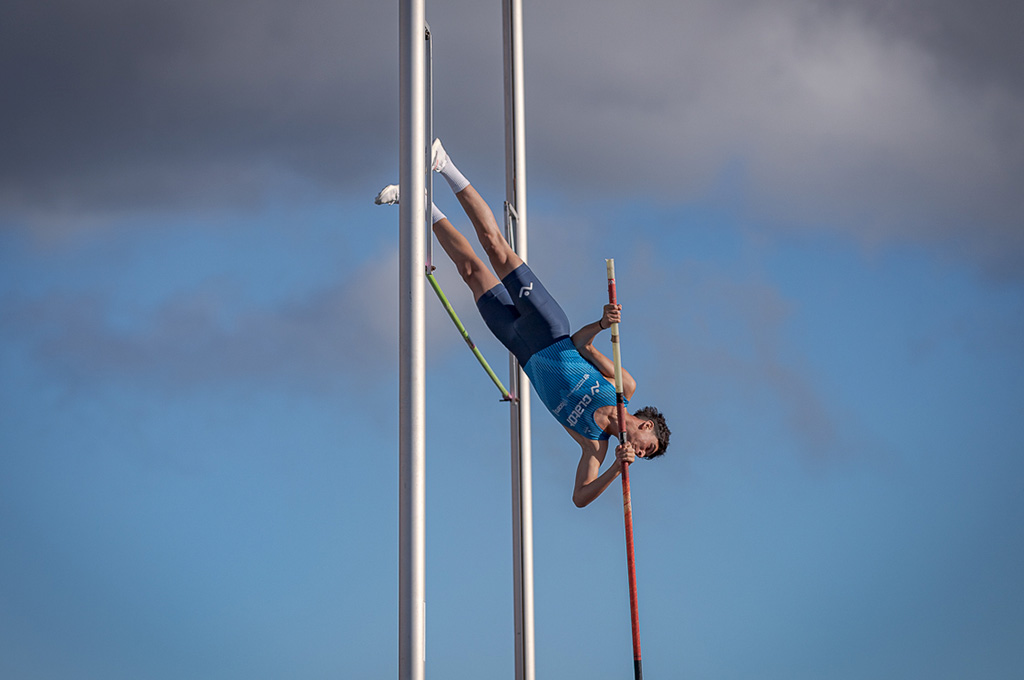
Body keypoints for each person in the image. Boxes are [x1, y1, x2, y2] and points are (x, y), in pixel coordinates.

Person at [376, 139, 670, 507]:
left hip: (521, 348)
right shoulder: (623, 387)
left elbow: (579, 498)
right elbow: (582, 346)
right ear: (645, 427)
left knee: (470, 272)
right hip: (549, 327)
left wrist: (615, 469)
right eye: (648, 448)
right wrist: (600, 322)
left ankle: (420, 204)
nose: (642, 455)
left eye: (645, 456)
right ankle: (445, 164)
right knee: (496, 247)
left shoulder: (594, 444)